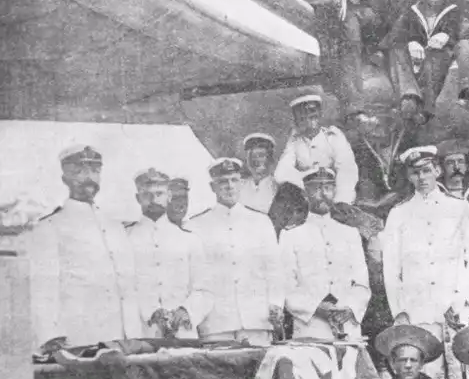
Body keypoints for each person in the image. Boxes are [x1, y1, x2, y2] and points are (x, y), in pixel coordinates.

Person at [381, 146, 469, 379]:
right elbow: (391, 269)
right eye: (415, 172)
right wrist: (400, 311)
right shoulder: (399, 213)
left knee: (463, 377)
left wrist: (463, 300)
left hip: (453, 308)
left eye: (427, 170)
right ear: (409, 176)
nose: (422, 177)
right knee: (427, 378)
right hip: (418, 311)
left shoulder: (458, 208)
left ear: (437, 171)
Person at [26, 145, 141, 351]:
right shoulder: (50, 226)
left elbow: (128, 286)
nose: (89, 178)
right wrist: (51, 337)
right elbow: (43, 289)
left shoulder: (115, 227)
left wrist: (134, 335)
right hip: (79, 340)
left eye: (95, 171)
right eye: (80, 171)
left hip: (122, 339)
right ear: (65, 178)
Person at [187, 158, 285, 345]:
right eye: (222, 182)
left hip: (257, 321)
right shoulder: (196, 226)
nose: (229, 186)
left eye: (234, 180)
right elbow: (194, 277)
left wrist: (275, 304)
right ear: (212, 187)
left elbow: (274, 271)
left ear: (241, 183)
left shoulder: (261, 222)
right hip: (216, 324)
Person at [279, 169, 370, 341]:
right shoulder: (290, 236)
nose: (323, 194)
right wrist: (316, 308)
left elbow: (362, 283)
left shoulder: (350, 233)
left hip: (347, 324)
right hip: (310, 326)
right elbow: (286, 287)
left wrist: (350, 308)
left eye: (328, 188)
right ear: (305, 194)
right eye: (316, 188)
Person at [125, 168, 211, 340]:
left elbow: (204, 289)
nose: (154, 200)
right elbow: (124, 288)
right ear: (137, 198)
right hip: (142, 332)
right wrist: (151, 311)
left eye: (159, 194)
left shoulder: (189, 240)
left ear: (169, 196)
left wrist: (187, 310)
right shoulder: (125, 238)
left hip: (182, 332)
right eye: (147, 194)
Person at [382, 0, 466, 120]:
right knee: (397, 50)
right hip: (413, 62)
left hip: (438, 62)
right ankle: (410, 96)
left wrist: (447, 36)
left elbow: (463, 33)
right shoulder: (413, 10)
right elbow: (395, 35)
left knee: (438, 54)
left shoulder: (454, 12)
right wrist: (411, 42)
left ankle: (426, 110)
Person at [275, 94, 359, 204]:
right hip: (306, 198)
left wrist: (341, 200)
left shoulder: (333, 137)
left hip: (334, 197)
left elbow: (347, 170)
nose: (308, 120)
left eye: (312, 114)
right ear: (296, 120)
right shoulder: (294, 142)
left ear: (320, 114)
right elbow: (282, 173)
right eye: (302, 117)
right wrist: (307, 186)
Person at [239, 133, 279, 214]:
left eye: (260, 155)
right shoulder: (238, 186)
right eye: (251, 156)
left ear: (270, 159)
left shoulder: (278, 189)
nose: (255, 161)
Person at [436, 138, 469, 206]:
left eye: (461, 161)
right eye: (450, 163)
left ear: (466, 166)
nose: (457, 167)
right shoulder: (435, 194)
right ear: (442, 167)